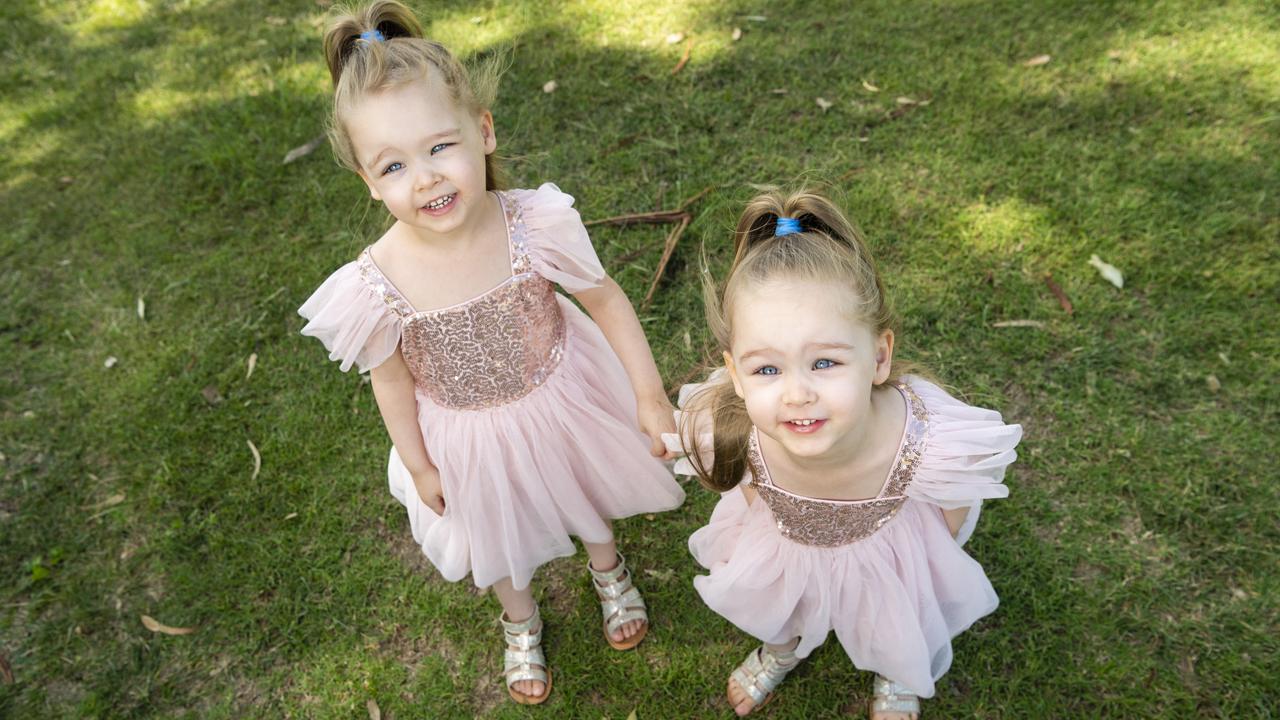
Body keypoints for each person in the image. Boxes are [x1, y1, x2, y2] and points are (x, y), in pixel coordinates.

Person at [298, 1, 685, 705]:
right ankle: (521, 618)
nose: (425, 179)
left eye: (440, 147)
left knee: (583, 488)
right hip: (465, 432)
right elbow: (389, 381)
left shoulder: (532, 223)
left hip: (562, 391)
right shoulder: (374, 283)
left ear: (482, 131)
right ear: (366, 180)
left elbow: (603, 299)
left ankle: (608, 568)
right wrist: (417, 462)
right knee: (497, 533)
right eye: (393, 165)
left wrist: (649, 393)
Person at [664, 189, 1021, 719]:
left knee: (894, 617)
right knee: (784, 603)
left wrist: (920, 560)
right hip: (786, 546)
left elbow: (953, 509)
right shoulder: (737, 431)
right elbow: (747, 493)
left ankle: (896, 671)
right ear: (735, 374)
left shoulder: (923, 441)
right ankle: (783, 647)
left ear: (878, 357)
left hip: (889, 555)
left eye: (825, 362)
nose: (797, 393)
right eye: (767, 369)